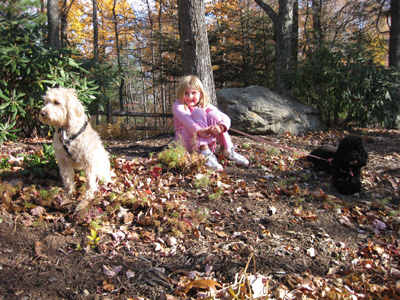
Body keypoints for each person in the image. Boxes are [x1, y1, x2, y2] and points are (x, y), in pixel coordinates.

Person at [172, 75, 249, 171]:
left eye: (194, 93)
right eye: (186, 93)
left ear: (200, 93)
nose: (190, 96)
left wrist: (220, 126)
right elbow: (187, 121)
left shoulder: (204, 105)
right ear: (181, 93)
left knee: (215, 115)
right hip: (185, 144)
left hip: (206, 143)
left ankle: (228, 150)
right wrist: (200, 130)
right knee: (199, 112)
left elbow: (225, 117)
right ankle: (205, 154)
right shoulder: (178, 106)